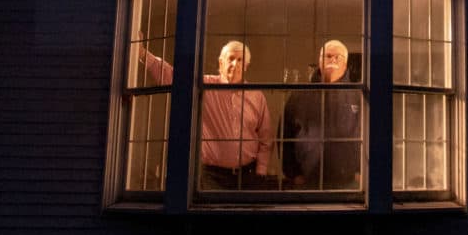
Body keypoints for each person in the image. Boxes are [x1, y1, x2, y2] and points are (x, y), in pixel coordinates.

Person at [142, 39, 274, 189]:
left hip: (248, 176)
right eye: (231, 59)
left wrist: (261, 171)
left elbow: (266, 137)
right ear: (221, 63)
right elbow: (171, 76)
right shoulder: (205, 86)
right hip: (213, 176)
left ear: (246, 66)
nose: (235, 64)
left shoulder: (257, 96)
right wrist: (141, 54)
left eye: (240, 60)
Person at [282, 39, 363, 190]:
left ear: (345, 64)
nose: (332, 60)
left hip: (350, 184)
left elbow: (371, 135)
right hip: (307, 183)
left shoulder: (358, 96)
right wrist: (293, 174)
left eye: (338, 57)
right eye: (328, 56)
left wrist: (362, 171)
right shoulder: (299, 95)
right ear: (320, 61)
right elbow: (284, 136)